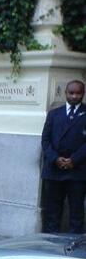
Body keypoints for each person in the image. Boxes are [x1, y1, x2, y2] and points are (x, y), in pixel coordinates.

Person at [41, 80, 86, 233]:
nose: (74, 96)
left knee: (76, 214)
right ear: (65, 93)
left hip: (77, 171)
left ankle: (73, 249)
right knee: (52, 213)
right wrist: (55, 158)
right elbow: (45, 140)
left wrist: (74, 160)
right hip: (54, 171)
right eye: (71, 93)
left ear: (83, 94)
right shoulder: (54, 114)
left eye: (78, 93)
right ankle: (50, 245)